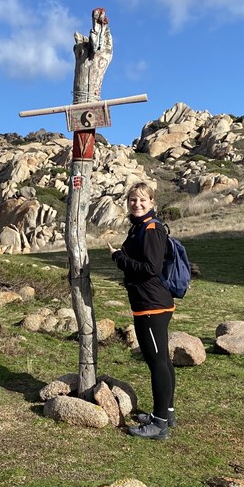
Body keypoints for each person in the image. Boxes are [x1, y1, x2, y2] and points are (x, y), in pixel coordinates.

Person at [108, 182, 176, 440]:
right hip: (149, 303)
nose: (137, 204)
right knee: (162, 360)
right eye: (132, 200)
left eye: (142, 200)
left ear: (152, 203)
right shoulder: (140, 227)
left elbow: (150, 267)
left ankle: (159, 424)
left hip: (152, 305)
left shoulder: (151, 229)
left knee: (157, 362)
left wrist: (118, 258)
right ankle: (166, 413)